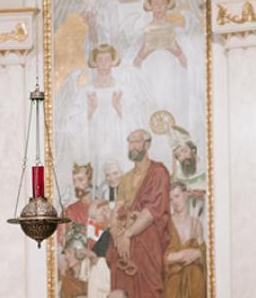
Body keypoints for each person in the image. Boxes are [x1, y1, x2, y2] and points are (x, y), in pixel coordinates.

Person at [56, 44, 140, 173]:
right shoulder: (85, 91)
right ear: (95, 63)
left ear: (113, 62)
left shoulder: (123, 89)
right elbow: (73, 124)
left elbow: (135, 122)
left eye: (107, 59)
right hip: (94, 141)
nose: (104, 64)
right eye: (100, 60)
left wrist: (118, 107)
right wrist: (90, 110)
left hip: (117, 140)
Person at [109, 130, 170, 297]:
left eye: (137, 142)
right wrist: (117, 236)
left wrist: (128, 235)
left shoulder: (159, 172)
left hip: (147, 240)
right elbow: (116, 210)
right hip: (123, 241)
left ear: (147, 144)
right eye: (130, 142)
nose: (133, 146)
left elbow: (153, 210)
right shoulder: (126, 178)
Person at [164, 183, 207, 298]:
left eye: (177, 196)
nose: (174, 202)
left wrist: (197, 253)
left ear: (186, 194)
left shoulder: (196, 224)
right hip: (173, 283)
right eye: (171, 199)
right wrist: (182, 255)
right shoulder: (166, 225)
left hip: (195, 283)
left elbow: (204, 255)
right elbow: (160, 258)